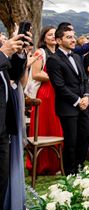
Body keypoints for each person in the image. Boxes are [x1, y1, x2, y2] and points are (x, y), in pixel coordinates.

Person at [46, 26, 89, 175]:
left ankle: (80, 167)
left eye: (73, 36)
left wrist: (86, 96)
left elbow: (84, 79)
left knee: (85, 136)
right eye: (69, 37)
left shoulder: (77, 57)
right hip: (68, 106)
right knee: (71, 141)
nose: (73, 39)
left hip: (83, 104)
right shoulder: (53, 59)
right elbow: (59, 86)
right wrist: (78, 100)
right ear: (59, 40)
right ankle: (70, 172)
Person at [0, 32, 28, 210]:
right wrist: (3, 53)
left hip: (3, 125)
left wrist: (19, 54)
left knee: (1, 176)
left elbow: (14, 76)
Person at [25, 26, 63, 175]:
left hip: (58, 91)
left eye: (55, 34)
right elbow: (35, 74)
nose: (53, 37)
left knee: (57, 125)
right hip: (46, 93)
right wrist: (56, 77)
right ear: (44, 37)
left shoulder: (59, 53)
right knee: (46, 125)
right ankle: (44, 163)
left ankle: (57, 162)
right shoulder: (40, 52)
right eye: (49, 34)